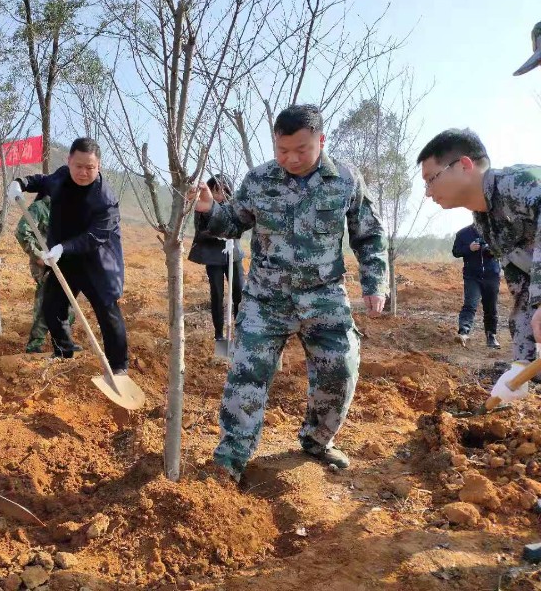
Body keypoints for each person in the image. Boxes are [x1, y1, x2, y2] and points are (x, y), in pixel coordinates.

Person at [190, 104, 388, 479]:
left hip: (324, 296)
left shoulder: (345, 179)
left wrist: (375, 284)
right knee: (246, 377)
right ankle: (231, 459)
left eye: (301, 150)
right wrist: (208, 208)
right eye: (283, 150)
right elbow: (232, 222)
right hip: (266, 298)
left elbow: (369, 234)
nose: (291, 159)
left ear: (321, 140)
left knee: (340, 371)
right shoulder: (259, 180)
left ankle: (317, 441)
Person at [417, 129, 541, 385]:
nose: (428, 192)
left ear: (464, 165)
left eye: (431, 179)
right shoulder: (485, 221)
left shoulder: (521, 184)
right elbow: (523, 290)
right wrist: (522, 366)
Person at [8, 137, 128, 375]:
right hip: (63, 258)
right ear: (69, 161)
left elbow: (96, 235)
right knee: (52, 306)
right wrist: (21, 183)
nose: (83, 172)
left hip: (97, 261)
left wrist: (63, 248)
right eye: (79, 166)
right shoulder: (62, 176)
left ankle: (118, 367)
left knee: (107, 311)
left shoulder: (105, 198)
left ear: (99, 166)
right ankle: (63, 353)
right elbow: (42, 181)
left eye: (90, 167)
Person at [14, 192, 78, 353]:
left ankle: (62, 343)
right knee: (46, 301)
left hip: (65, 263)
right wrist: (38, 255)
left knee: (66, 303)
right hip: (46, 265)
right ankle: (35, 345)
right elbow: (22, 232)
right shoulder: (40, 208)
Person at [187, 174, 245, 343]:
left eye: (223, 190)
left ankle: (240, 331)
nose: (220, 194)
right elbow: (200, 231)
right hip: (213, 257)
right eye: (216, 190)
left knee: (239, 292)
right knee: (217, 294)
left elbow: (239, 227)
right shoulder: (204, 207)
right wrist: (217, 234)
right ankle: (219, 335)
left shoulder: (232, 207)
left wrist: (229, 233)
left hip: (233, 254)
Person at [452, 223, 501, 349]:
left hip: (491, 275)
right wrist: (469, 248)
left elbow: (504, 249)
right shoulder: (463, 233)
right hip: (472, 276)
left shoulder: (495, 230)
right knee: (470, 304)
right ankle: (463, 332)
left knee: (491, 307)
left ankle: (491, 336)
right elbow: (455, 252)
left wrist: (492, 250)